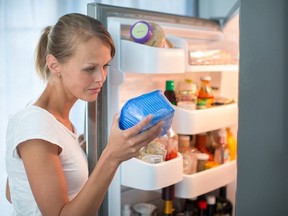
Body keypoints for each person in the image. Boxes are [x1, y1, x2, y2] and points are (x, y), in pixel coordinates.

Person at [5, 13, 164, 216]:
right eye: (90, 69)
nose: (101, 77)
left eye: (105, 66)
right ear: (54, 65)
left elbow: (14, 191)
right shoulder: (35, 126)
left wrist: (79, 150)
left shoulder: (54, 121)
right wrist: (112, 157)